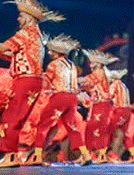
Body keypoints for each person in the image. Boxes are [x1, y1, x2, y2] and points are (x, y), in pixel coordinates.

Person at [0, 0, 63, 167]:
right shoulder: (37, 36)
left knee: (12, 118)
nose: (18, 19)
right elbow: (10, 55)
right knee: (16, 118)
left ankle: (9, 156)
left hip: (25, 80)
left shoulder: (25, 33)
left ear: (29, 18)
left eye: (21, 16)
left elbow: (2, 48)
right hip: (33, 81)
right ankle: (11, 155)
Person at [30, 35, 91, 165]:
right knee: (72, 128)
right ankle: (85, 155)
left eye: (51, 51)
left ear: (57, 52)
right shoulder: (72, 66)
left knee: (43, 125)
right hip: (72, 99)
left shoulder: (53, 65)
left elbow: (45, 84)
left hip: (59, 98)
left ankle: (38, 156)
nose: (49, 53)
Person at [80, 48, 119, 163]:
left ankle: (96, 154)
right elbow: (89, 86)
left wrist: (70, 79)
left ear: (99, 64)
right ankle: (95, 154)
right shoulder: (100, 74)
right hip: (99, 104)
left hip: (100, 105)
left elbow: (86, 80)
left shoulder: (98, 73)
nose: (91, 65)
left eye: (93, 63)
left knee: (94, 128)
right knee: (97, 129)